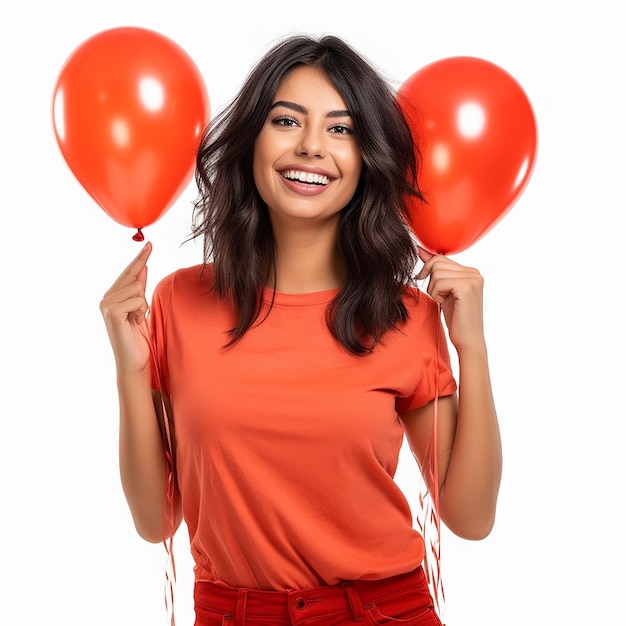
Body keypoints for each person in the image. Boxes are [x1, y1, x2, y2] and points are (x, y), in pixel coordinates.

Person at [100, 34, 502, 626]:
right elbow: (155, 521)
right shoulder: (179, 301)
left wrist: (473, 346)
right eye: (287, 120)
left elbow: (470, 518)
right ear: (251, 141)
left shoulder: (405, 315)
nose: (312, 147)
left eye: (341, 129)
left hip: (383, 611)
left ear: (367, 159)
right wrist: (131, 371)